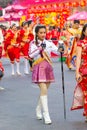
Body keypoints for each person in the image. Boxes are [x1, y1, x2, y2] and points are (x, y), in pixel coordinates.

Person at [29, 24, 59, 125]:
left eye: (44, 32)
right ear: (37, 33)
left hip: (48, 68)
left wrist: (62, 49)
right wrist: (40, 49)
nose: (43, 34)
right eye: (41, 33)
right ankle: (46, 115)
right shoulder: (33, 43)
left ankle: (38, 109)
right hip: (38, 68)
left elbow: (57, 51)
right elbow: (30, 55)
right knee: (44, 90)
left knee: (44, 91)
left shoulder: (49, 43)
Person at [71, 24, 87, 122]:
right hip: (85, 70)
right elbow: (78, 59)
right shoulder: (81, 43)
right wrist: (77, 72)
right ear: (84, 32)